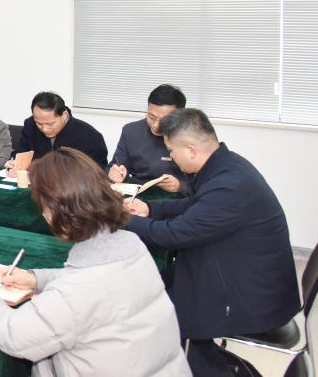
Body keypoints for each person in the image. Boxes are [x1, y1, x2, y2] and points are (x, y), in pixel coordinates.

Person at [0, 148, 190, 377]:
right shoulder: (131, 245)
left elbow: (13, 336)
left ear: (56, 211)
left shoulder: (74, 292)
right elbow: (94, 282)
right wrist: (34, 279)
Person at [123, 109, 300, 376]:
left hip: (251, 300)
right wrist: (150, 209)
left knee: (159, 308)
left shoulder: (230, 185)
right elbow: (195, 205)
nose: (171, 157)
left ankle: (202, 367)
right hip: (246, 278)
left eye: (171, 150)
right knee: (162, 287)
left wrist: (123, 220)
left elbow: (175, 235)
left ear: (191, 150)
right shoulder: (228, 166)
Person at [108, 84, 190, 194]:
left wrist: (181, 186)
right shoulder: (131, 131)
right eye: (151, 117)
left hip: (176, 197)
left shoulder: (191, 136)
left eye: (164, 120)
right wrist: (115, 173)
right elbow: (115, 165)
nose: (156, 125)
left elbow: (205, 180)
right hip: (137, 193)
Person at [6, 92, 107, 168]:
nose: (45, 129)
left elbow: (98, 172)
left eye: (50, 124)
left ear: (64, 115)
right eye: (39, 123)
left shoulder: (90, 136)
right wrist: (14, 163)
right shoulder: (30, 125)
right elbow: (20, 153)